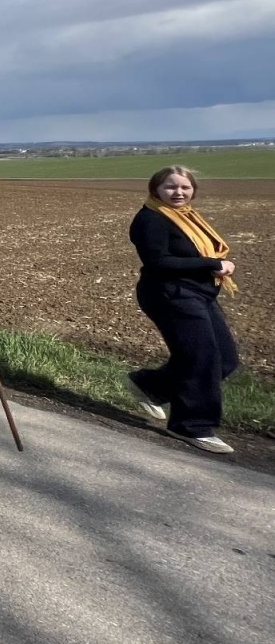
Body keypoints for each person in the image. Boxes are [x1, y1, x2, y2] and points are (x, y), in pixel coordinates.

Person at [125, 167, 240, 453]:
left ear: (193, 190)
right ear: (156, 190)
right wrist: (212, 265)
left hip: (199, 293)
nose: (178, 192)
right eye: (170, 187)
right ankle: (192, 426)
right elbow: (158, 262)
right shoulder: (151, 219)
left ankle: (151, 386)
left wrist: (217, 263)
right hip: (169, 294)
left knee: (225, 359)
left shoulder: (187, 216)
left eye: (184, 187)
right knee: (202, 357)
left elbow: (204, 250)